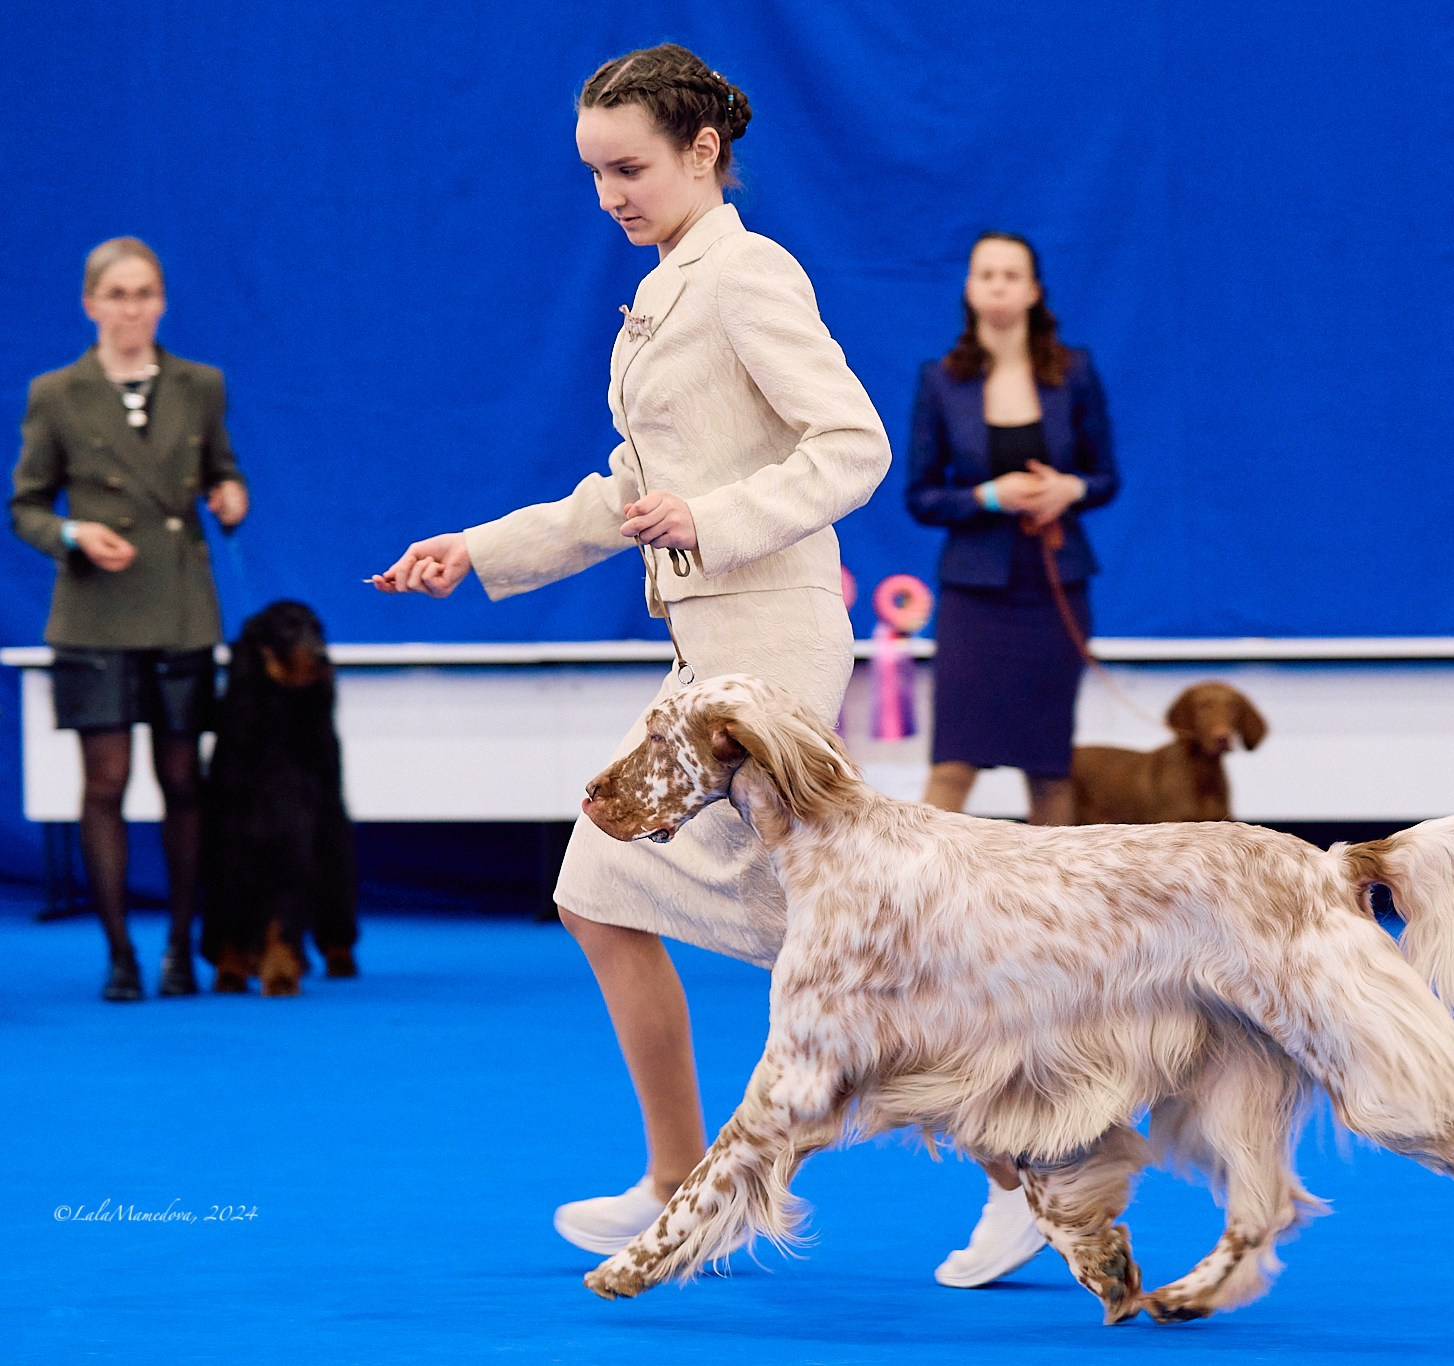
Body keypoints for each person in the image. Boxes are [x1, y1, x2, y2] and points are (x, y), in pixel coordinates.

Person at [372, 46, 889, 1253]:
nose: (610, 192)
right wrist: (481, 547)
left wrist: (713, 519)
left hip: (767, 665)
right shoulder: (670, 284)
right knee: (649, 903)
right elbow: (627, 491)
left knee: (809, 941)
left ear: (703, 153)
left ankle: (1043, 1160)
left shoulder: (744, 274)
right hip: (713, 665)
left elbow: (852, 445)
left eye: (631, 167)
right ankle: (686, 1178)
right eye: (595, 172)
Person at [904, 231, 1119, 1285]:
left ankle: (1065, 936)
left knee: (1050, 775)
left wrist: (1064, 491)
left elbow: (1108, 474)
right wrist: (991, 498)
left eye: (1012, 275)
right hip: (976, 591)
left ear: (1033, 289)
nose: (996, 288)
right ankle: (927, 913)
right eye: (982, 273)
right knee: (951, 770)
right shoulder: (937, 380)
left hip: (1054, 586)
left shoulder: (1073, 372)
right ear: (970, 289)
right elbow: (921, 494)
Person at [11, 237, 251, 1002]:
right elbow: (24, 505)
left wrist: (230, 495)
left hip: (180, 606)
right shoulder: (57, 393)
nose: (131, 308)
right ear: (90, 304)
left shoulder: (200, 384)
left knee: (184, 781)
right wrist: (74, 534)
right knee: (104, 784)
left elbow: (221, 466)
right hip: (94, 614)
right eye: (116, 294)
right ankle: (119, 953)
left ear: (162, 302)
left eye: (145, 292)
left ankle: (183, 947)